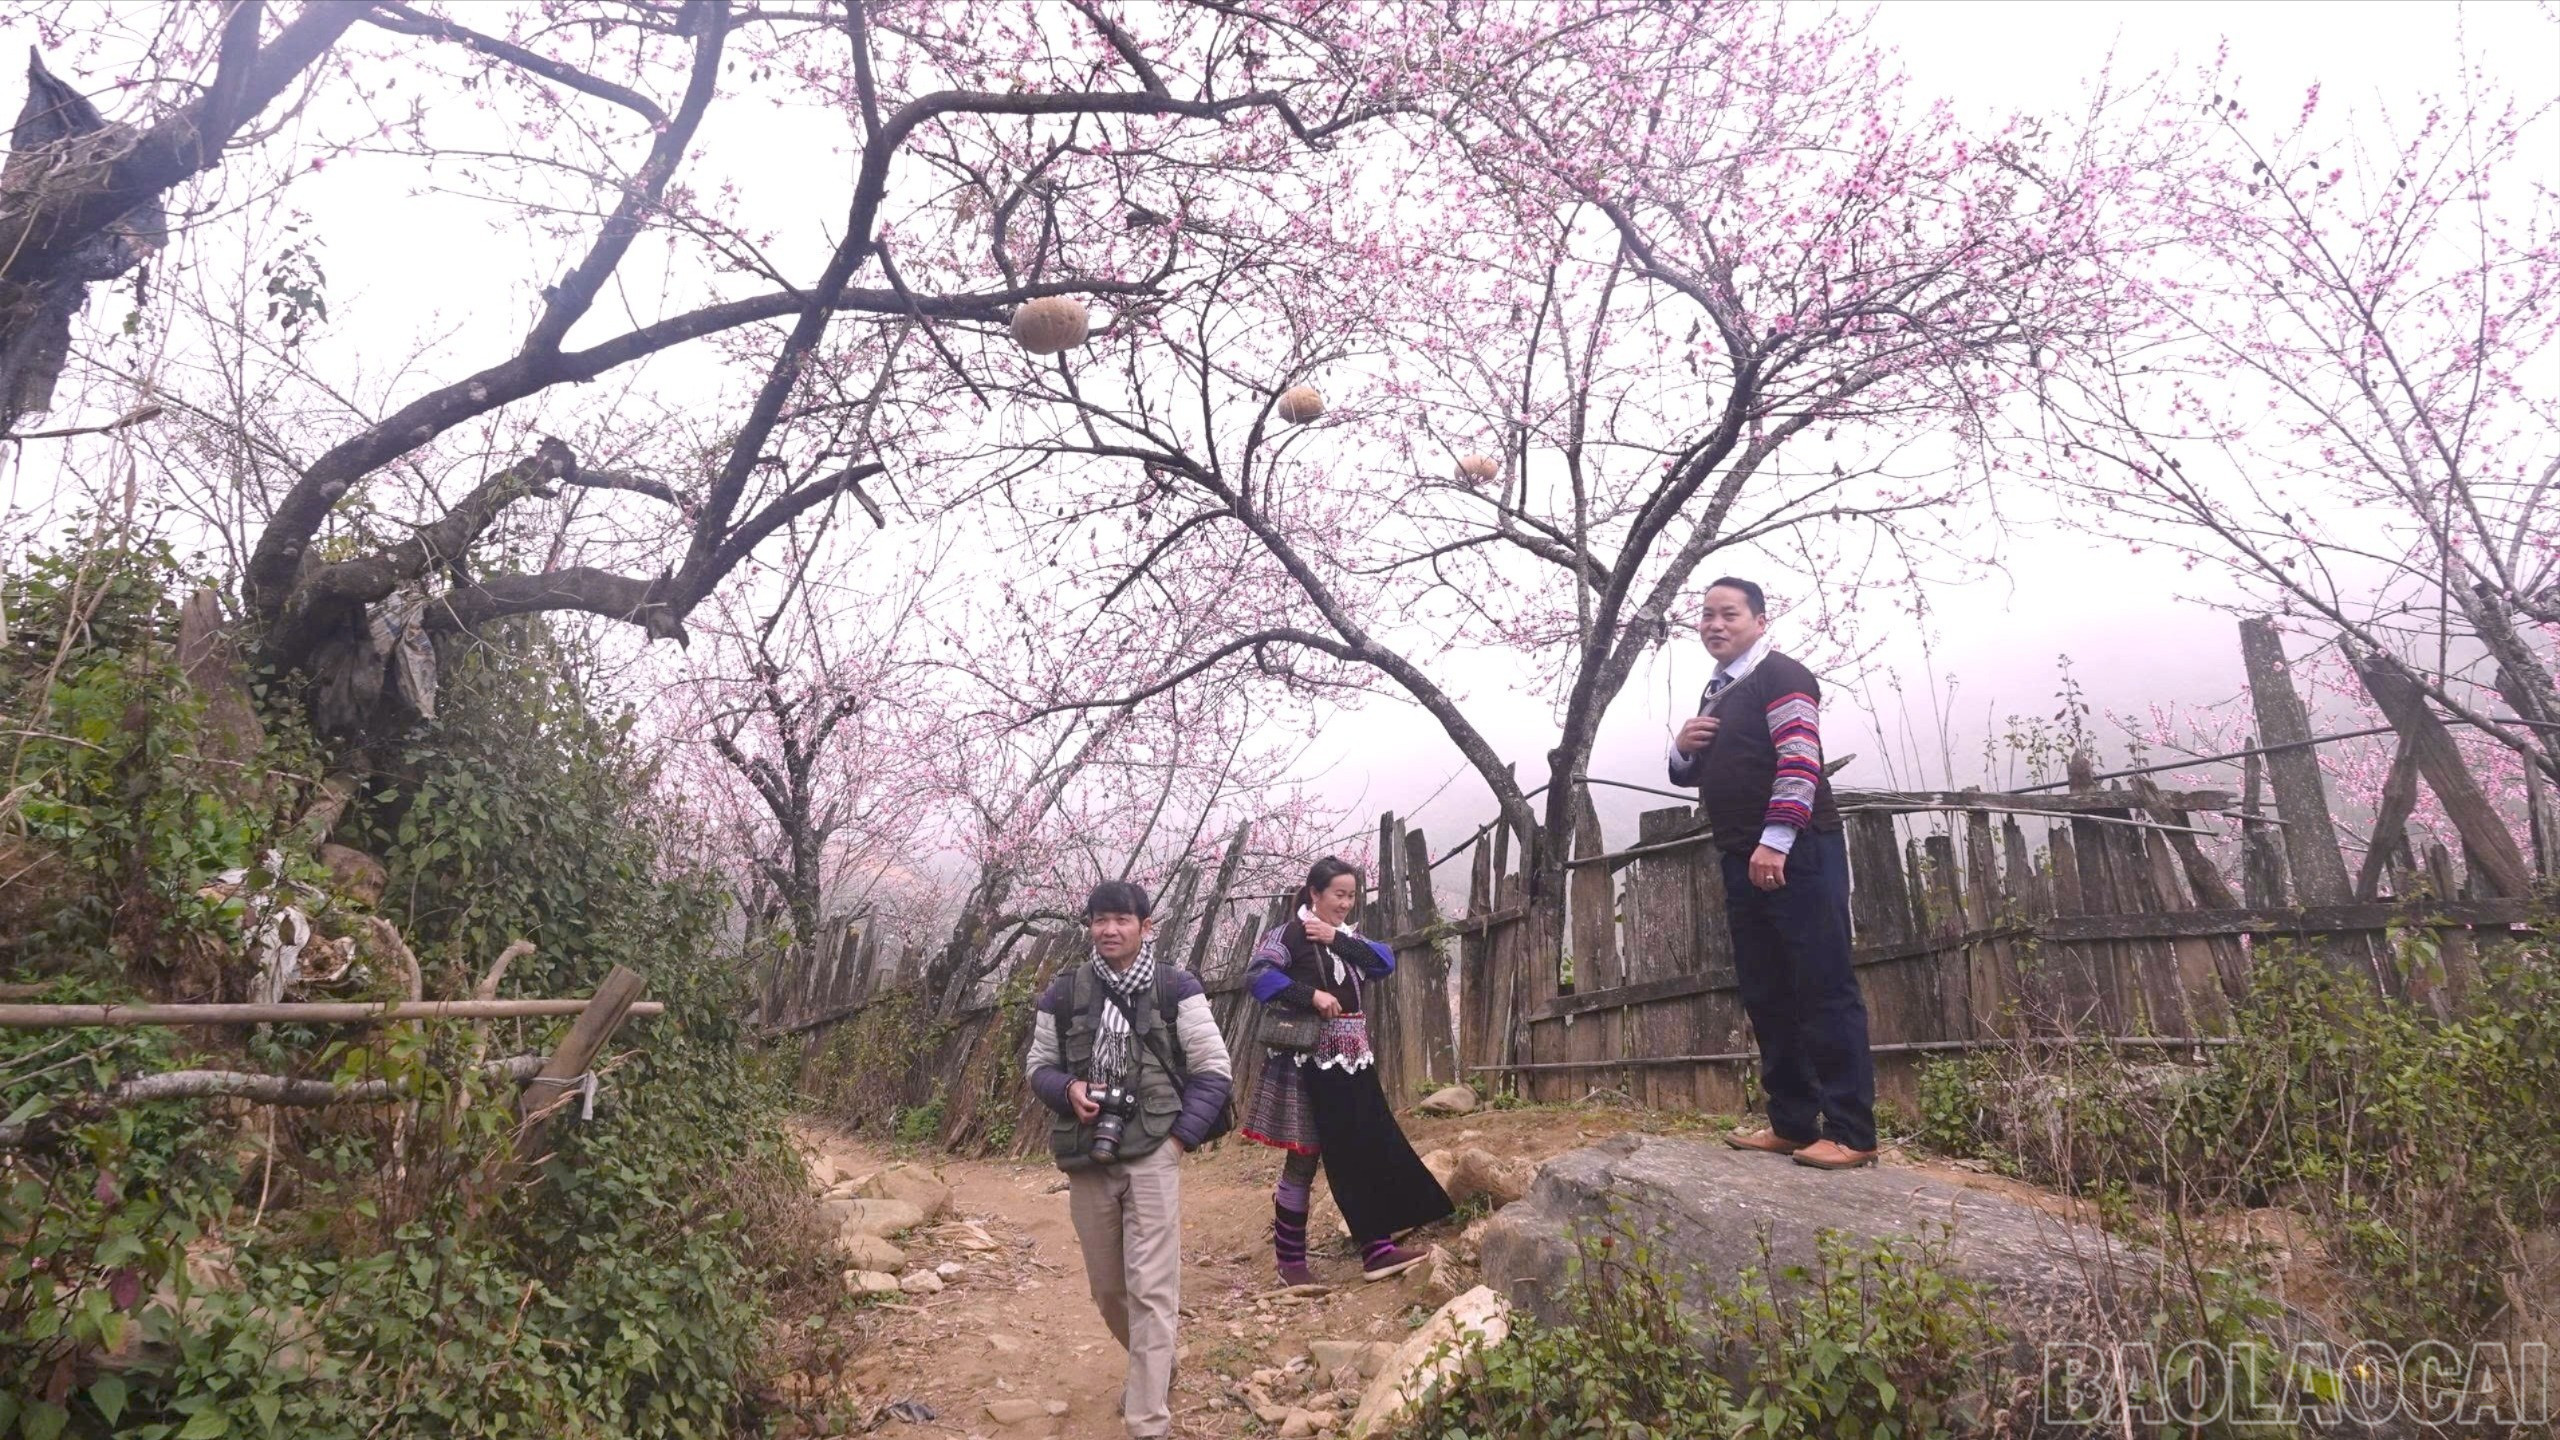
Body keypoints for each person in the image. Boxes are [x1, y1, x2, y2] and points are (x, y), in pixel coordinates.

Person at [1667, 577, 1878, 1170]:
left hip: (1797, 851)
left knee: (1823, 986)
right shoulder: (1719, 689)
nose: (1714, 624)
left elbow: (1800, 761)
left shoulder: (1781, 675)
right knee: (1767, 991)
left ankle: (1852, 1131)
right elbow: (1691, 773)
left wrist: (1775, 841)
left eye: (1729, 614)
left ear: (1760, 621)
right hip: (1742, 854)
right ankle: (1792, 1123)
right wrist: (1682, 746)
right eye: (1706, 615)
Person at [1025, 880, 1233, 1439]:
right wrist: (1068, 1089)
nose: (1110, 930)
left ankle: (1147, 1420)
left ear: (1146, 926)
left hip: (1154, 1151)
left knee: (1152, 1287)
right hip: (1088, 1155)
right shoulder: (1064, 993)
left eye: (1122, 920)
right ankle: (1158, 1365)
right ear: (1090, 926)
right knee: (1108, 1290)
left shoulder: (1174, 988)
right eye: (1100, 920)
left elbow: (1214, 1069)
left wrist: (1177, 1142)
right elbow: (1038, 1065)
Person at [1239, 856, 1454, 1284]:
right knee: (1303, 1158)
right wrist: (1310, 995)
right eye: (1338, 894)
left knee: (1362, 1149)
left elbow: (1384, 962)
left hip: (1351, 1062)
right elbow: (1258, 976)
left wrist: (1335, 938)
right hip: (1306, 1064)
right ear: (1314, 893)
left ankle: (1377, 1250)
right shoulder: (1288, 936)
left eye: (1352, 896)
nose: (1345, 903)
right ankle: (1291, 1265)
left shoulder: (1348, 938)